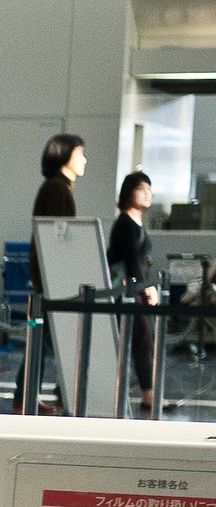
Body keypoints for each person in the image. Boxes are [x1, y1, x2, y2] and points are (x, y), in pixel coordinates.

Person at [18, 132, 85, 412]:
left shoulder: (58, 187)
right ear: (64, 156)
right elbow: (57, 238)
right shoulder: (57, 189)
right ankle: (26, 395)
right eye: (80, 154)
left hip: (49, 276)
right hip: (51, 278)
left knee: (46, 339)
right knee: (44, 339)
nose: (84, 160)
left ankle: (29, 394)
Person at [108, 169, 162, 413]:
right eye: (141, 189)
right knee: (141, 340)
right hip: (127, 291)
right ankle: (148, 394)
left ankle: (148, 393)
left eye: (149, 189)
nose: (147, 194)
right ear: (128, 193)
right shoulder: (125, 224)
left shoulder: (136, 223)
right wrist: (146, 286)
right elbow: (131, 260)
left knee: (140, 341)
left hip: (135, 289)